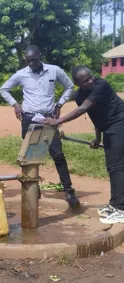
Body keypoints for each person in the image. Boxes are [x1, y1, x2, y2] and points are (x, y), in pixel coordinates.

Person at [0, 45, 80, 207]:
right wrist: (15, 104)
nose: (31, 64)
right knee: (30, 156)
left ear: (40, 56)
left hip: (49, 119)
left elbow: (69, 86)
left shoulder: (54, 70)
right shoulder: (21, 74)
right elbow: (4, 89)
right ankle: (34, 189)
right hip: (29, 119)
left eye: (34, 60)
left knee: (57, 154)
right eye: (28, 61)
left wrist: (59, 104)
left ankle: (68, 191)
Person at [44, 66, 124, 224]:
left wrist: (58, 121)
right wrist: (97, 138)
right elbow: (95, 115)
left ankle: (120, 209)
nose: (90, 81)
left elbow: (83, 109)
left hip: (120, 123)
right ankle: (115, 204)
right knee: (112, 166)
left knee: (117, 167)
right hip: (108, 127)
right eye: (85, 80)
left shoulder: (101, 85)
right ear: (77, 83)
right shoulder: (79, 95)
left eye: (90, 77)